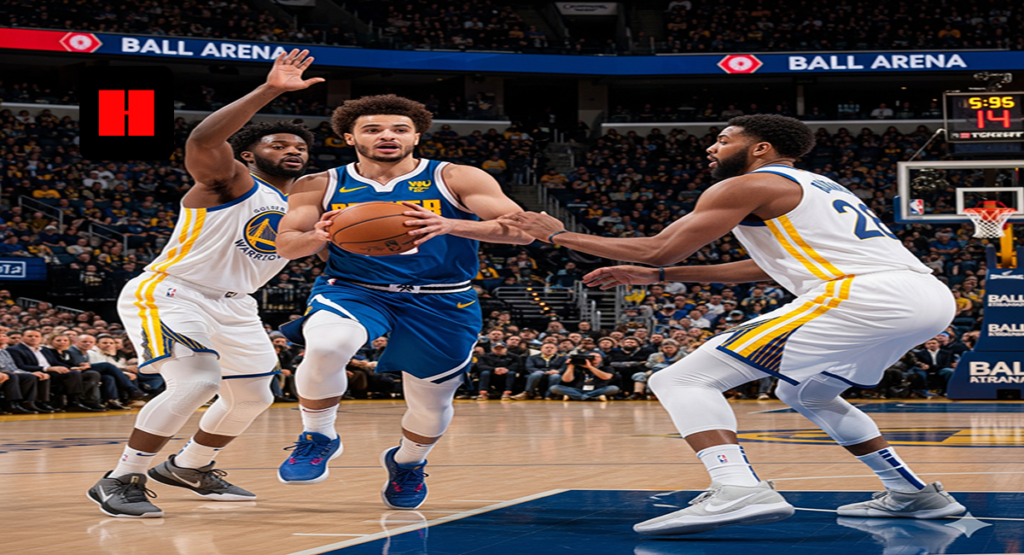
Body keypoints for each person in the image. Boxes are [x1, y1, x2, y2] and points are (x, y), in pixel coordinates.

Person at [502, 113, 965, 535]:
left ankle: (737, 487)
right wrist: (660, 277)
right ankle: (912, 493)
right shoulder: (819, 185)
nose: (712, 148)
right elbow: (769, 268)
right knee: (806, 392)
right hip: (924, 296)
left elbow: (659, 247)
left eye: (723, 141)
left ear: (760, 148)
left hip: (864, 294)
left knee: (682, 378)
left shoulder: (746, 184)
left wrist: (556, 233)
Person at [87, 49, 323, 518]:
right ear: (251, 155)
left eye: (300, 147)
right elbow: (202, 138)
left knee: (256, 396)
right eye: (279, 144)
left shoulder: (301, 207)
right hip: (175, 290)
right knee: (196, 381)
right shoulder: (230, 181)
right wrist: (271, 89)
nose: (293, 150)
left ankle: (190, 466)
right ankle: (119, 478)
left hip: (237, 305)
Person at [274, 93, 531, 510]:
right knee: (326, 345)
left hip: (442, 299)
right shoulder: (319, 184)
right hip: (355, 288)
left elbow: (521, 231)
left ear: (416, 136)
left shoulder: (457, 178)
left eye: (399, 129)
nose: (387, 136)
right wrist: (318, 236)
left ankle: (407, 463)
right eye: (373, 129)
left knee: (431, 405)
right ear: (349, 137)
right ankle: (318, 435)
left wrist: (450, 224)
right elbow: (286, 246)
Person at [549, 352, 619, 401]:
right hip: (578, 389)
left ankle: (577, 397)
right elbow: (566, 380)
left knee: (614, 388)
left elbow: (606, 377)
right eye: (591, 357)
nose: (594, 358)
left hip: (597, 389)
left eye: (597, 357)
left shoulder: (607, 368)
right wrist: (570, 367)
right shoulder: (578, 367)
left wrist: (590, 367)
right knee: (554, 388)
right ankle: (591, 397)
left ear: (601, 359)